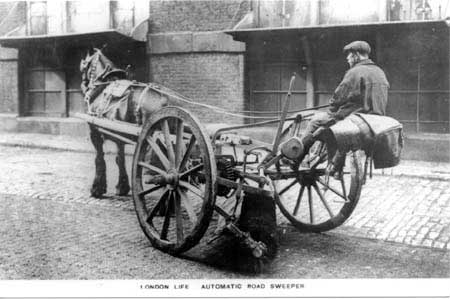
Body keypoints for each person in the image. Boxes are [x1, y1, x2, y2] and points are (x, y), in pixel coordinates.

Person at [293, 40, 390, 171]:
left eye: (349, 55)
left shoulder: (355, 72)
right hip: (373, 121)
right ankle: (336, 164)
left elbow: (339, 96)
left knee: (315, 122)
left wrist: (332, 109)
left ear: (356, 55)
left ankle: (295, 158)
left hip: (354, 118)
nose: (347, 58)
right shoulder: (380, 72)